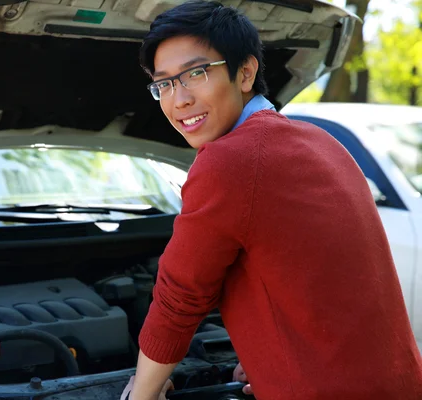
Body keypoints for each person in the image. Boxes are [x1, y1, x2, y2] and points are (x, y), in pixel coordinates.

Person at [120, 1, 422, 399]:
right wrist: (269, 353)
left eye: (195, 73)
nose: (179, 100)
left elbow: (181, 297)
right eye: (164, 84)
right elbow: (325, 278)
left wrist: (143, 392)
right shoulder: (322, 143)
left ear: (245, 72)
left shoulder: (229, 160)